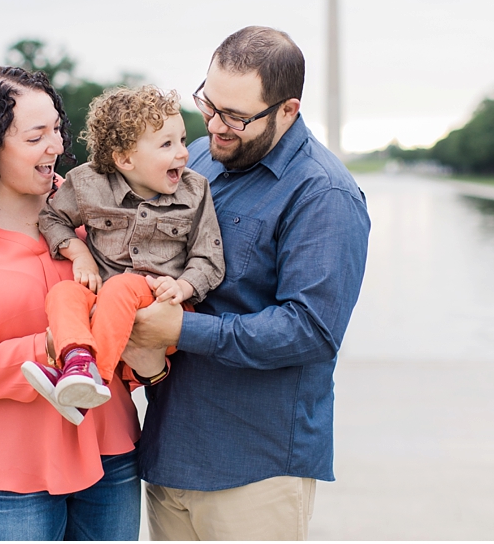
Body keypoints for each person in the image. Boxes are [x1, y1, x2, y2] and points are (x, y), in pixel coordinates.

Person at [129, 27, 372, 540]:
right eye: (209, 104)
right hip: (169, 451)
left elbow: (311, 330)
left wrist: (180, 331)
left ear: (288, 110)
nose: (215, 125)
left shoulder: (324, 194)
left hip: (255, 467)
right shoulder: (195, 156)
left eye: (236, 116)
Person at [0, 66, 152, 541]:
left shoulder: (89, 205)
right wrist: (49, 349)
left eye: (57, 129)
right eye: (36, 137)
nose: (55, 146)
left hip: (111, 455)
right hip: (5, 475)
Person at [22, 85, 225, 416]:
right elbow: (52, 218)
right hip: (106, 302)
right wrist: (79, 253)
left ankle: (95, 379)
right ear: (125, 159)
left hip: (159, 305)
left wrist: (183, 286)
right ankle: (76, 365)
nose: (183, 154)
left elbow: (208, 256)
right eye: (167, 144)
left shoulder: (194, 191)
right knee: (63, 293)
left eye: (182, 140)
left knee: (122, 287)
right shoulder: (87, 184)